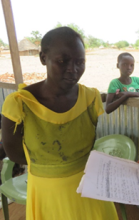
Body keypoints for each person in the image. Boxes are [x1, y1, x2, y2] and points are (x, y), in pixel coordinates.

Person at [1, 27, 118, 220]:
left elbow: (86, 145)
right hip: (48, 194)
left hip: (89, 190)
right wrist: (51, 167)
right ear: (43, 58)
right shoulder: (20, 104)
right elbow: (14, 153)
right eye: (62, 61)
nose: (73, 70)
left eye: (80, 62)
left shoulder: (90, 98)